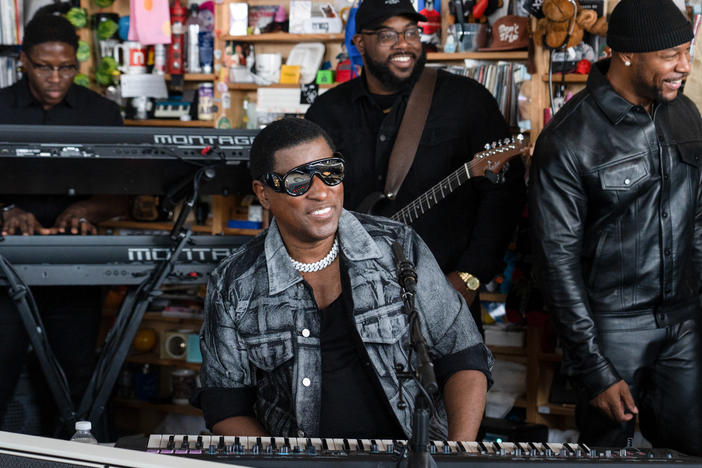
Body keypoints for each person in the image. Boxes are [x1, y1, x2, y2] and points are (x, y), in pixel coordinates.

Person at [198, 118, 492, 441]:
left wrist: (455, 455)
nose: (321, 192)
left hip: (414, 458)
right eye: (298, 181)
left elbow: (463, 354)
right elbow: (226, 408)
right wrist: (288, 465)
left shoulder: (398, 248)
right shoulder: (233, 284)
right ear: (264, 194)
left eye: (330, 172)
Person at [529, 0, 702, 455]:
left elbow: (697, 221)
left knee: (691, 451)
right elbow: (556, 264)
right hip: (610, 329)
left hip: (683, 321)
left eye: (687, 50)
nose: (684, 65)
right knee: (607, 455)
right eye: (671, 56)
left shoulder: (685, 113)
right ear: (627, 54)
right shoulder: (567, 141)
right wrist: (594, 369)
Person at [305, 0, 525, 333]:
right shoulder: (327, 111)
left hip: (442, 293)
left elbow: (503, 196)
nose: (404, 44)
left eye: (411, 32)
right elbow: (306, 198)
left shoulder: (467, 100)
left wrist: (471, 274)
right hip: (348, 296)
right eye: (387, 35)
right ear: (359, 42)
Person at [0, 13, 126, 436]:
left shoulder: (102, 114)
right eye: (44, 66)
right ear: (23, 61)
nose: (56, 77)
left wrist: (89, 210)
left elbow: (122, 192)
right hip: (5, 269)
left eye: (66, 67)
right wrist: (6, 211)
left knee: (77, 381)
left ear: (77, 63)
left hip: (77, 267)